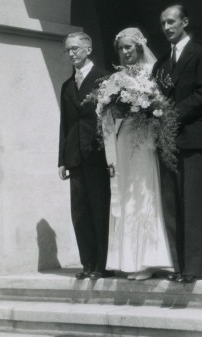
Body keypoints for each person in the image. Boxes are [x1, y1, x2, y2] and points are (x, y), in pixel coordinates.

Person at [153, 5, 202, 283]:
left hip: (191, 138)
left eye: (171, 22)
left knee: (191, 204)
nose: (167, 27)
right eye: (163, 24)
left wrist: (169, 117)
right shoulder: (162, 63)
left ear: (184, 22)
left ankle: (192, 268)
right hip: (168, 141)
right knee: (171, 205)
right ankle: (178, 267)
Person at [105, 28, 172, 280]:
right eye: (121, 48)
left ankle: (149, 259)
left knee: (144, 192)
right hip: (124, 139)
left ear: (140, 47)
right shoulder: (117, 77)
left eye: (129, 47)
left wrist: (144, 104)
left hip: (144, 139)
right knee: (126, 192)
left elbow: (162, 107)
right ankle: (130, 260)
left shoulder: (152, 73)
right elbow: (109, 113)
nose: (125, 53)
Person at [58, 31, 111, 280]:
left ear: (88, 49)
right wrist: (61, 159)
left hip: (97, 154)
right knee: (79, 212)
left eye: (75, 48)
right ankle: (87, 263)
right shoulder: (67, 86)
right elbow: (65, 125)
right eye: (68, 49)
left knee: (99, 208)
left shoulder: (104, 79)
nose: (71, 53)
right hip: (75, 156)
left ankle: (101, 264)